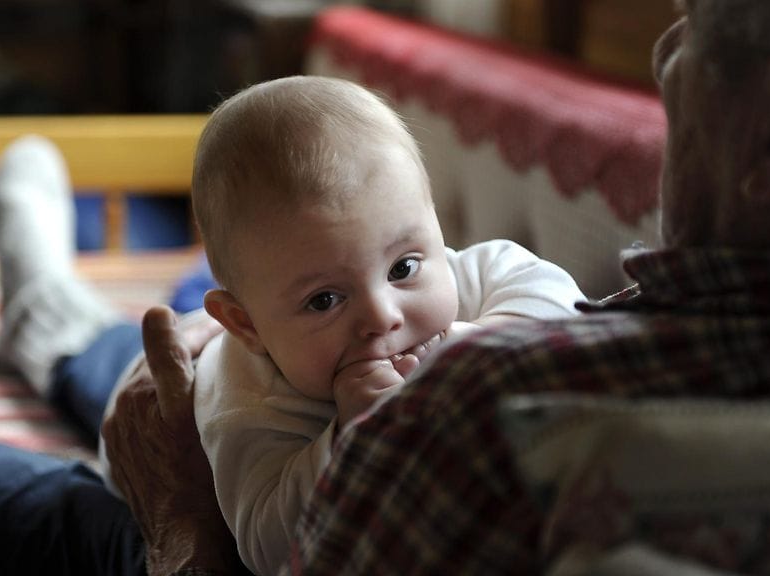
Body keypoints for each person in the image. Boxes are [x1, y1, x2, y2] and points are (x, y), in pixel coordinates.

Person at [0, 0, 770, 573]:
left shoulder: (458, 406)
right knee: (201, 341)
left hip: (185, 504)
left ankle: (46, 300)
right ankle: (78, 294)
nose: (663, 54)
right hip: (254, 367)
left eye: (694, 27)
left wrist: (185, 519)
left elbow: (266, 529)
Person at [133, 75, 584, 575]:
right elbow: (264, 549)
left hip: (252, 310)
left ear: (436, 227)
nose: (383, 316)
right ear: (247, 326)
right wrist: (350, 438)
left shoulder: (466, 276)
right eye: (325, 300)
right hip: (176, 377)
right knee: (103, 365)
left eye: (402, 268)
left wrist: (473, 347)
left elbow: (565, 306)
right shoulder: (247, 400)